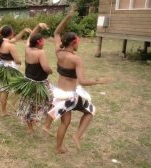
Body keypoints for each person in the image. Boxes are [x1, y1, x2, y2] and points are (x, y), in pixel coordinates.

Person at [49, 5, 108, 154]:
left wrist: (68, 16)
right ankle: (77, 135)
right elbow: (82, 81)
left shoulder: (59, 52)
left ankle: (58, 148)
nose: (79, 44)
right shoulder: (76, 59)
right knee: (90, 111)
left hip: (58, 93)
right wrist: (98, 81)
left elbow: (56, 32)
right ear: (73, 43)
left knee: (65, 122)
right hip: (69, 96)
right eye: (78, 42)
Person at [7, 23, 53, 133]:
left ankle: (29, 127)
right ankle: (41, 121)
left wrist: (38, 26)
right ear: (39, 43)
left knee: (28, 103)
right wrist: (50, 70)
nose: (44, 43)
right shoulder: (40, 52)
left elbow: (31, 36)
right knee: (49, 100)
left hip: (28, 81)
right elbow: (46, 68)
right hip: (39, 83)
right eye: (43, 41)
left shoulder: (27, 48)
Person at [0, 26, 31, 116]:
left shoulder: (0, 42)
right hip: (9, 69)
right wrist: (20, 62)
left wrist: (23, 30)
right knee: (8, 90)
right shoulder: (10, 45)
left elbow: (15, 39)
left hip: (2, 67)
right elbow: (17, 60)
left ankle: (4, 109)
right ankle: (4, 111)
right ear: (10, 33)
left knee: (4, 89)